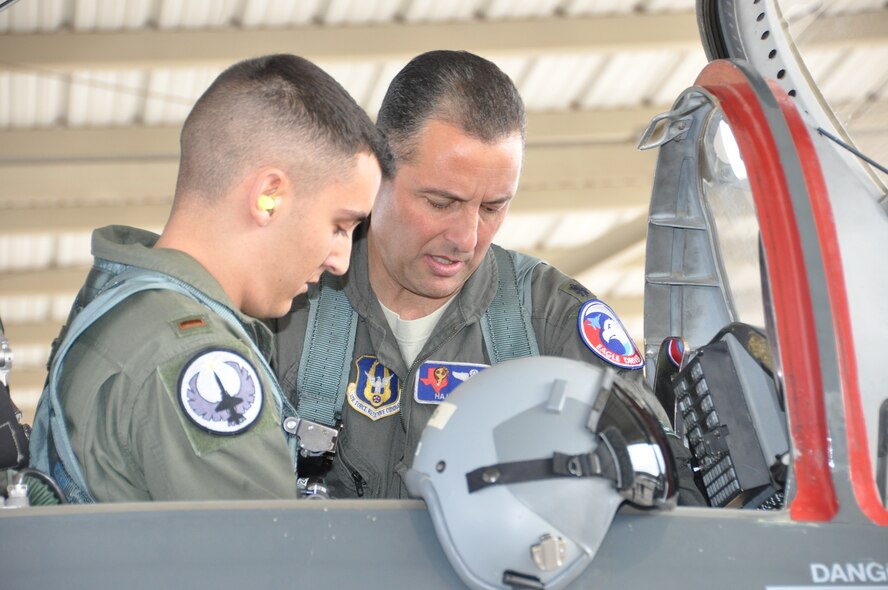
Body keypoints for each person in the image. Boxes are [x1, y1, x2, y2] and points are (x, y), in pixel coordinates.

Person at [272, 50, 703, 504]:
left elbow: (674, 503)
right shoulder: (287, 302)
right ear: (376, 171)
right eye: (441, 202)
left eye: (494, 207)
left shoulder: (550, 322)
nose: (466, 237)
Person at [28, 54, 391, 502]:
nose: (340, 260)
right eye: (340, 226)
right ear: (268, 197)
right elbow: (258, 564)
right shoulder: (193, 358)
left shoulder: (119, 306)